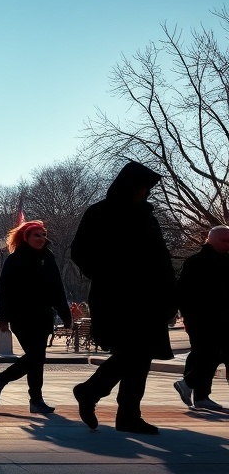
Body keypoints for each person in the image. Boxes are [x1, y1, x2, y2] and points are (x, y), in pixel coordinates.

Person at [70, 161, 177, 435]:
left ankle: (125, 413)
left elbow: (161, 260)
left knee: (139, 358)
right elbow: (81, 251)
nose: (145, 192)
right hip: (115, 296)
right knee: (132, 352)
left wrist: (169, 295)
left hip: (149, 298)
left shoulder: (147, 217)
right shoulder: (100, 213)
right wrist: (108, 271)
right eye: (142, 186)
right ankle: (93, 393)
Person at [0, 220, 72, 413]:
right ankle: (2, 379)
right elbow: (4, 291)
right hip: (21, 316)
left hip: (43, 316)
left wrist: (65, 315)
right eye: (37, 235)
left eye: (43, 235)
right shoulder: (14, 259)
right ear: (26, 237)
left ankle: (35, 400)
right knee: (35, 356)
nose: (42, 239)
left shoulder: (48, 258)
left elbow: (57, 288)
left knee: (37, 358)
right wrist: (3, 318)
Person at [173, 225, 229, 410]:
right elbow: (183, 293)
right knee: (208, 354)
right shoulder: (196, 262)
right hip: (203, 318)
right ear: (211, 240)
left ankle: (197, 393)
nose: (228, 244)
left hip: (218, 317)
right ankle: (192, 387)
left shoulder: (223, 260)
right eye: (224, 240)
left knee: (202, 354)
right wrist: (188, 317)